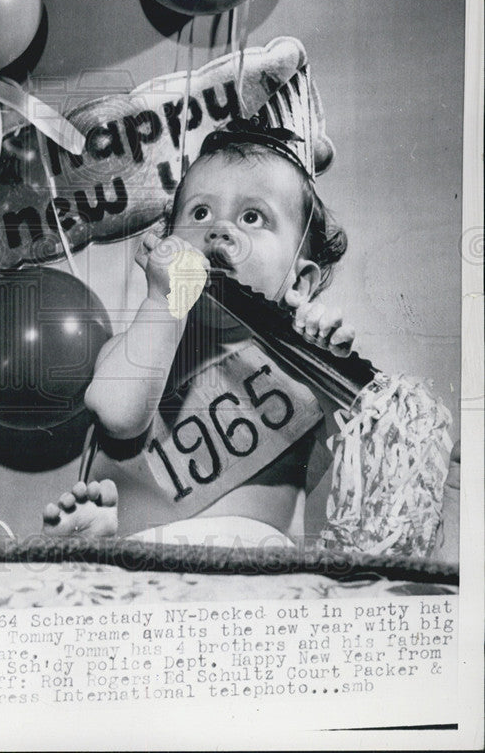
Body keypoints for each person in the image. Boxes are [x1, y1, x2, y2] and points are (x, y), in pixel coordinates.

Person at [41, 121, 356, 548]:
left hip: (258, 568)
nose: (219, 230)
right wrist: (163, 301)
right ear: (164, 245)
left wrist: (330, 370)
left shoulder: (305, 362)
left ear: (299, 283)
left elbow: (353, 477)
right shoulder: (143, 343)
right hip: (148, 557)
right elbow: (117, 414)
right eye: (200, 213)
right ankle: (93, 541)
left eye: (252, 216)